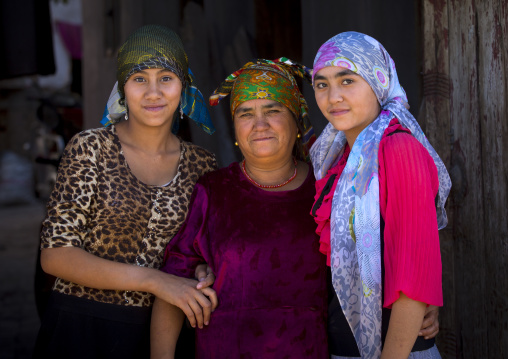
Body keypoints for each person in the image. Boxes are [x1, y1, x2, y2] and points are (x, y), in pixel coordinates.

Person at [33, 25, 219, 358]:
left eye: (166, 77)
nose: (153, 92)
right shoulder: (90, 149)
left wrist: (204, 271)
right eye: (139, 79)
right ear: (122, 88)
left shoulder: (202, 166)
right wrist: (155, 281)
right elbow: (55, 255)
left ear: (183, 86)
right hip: (82, 328)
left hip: (164, 332)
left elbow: (201, 250)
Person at [151, 58, 329, 359]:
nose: (260, 125)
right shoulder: (214, 191)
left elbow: (369, 271)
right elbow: (173, 286)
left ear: (296, 119)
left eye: (273, 110)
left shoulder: (326, 191)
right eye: (246, 113)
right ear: (235, 128)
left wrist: (417, 310)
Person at [309, 31, 451, 358]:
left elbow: (413, 282)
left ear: (379, 79)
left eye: (347, 80)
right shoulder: (336, 156)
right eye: (322, 84)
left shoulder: (399, 150)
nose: (333, 97)